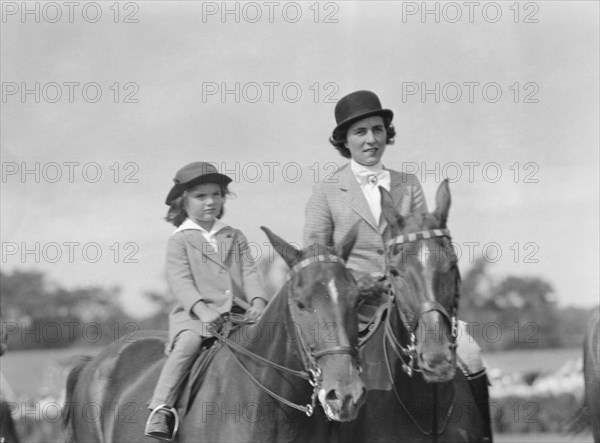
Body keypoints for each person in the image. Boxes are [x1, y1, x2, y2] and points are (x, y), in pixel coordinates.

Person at [303, 90, 492, 442]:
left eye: (377, 129)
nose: (371, 139)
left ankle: (482, 435)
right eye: (360, 132)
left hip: (412, 302)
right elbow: (316, 265)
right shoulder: (326, 191)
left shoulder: (408, 184)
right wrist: (359, 285)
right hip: (354, 309)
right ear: (344, 140)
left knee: (470, 352)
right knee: (323, 372)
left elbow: (425, 246)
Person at [145, 162, 268, 440]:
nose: (210, 201)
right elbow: (180, 281)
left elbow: (249, 271)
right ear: (183, 201)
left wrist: (259, 301)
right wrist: (202, 309)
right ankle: (161, 406)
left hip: (238, 313)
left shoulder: (233, 235)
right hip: (194, 316)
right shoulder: (180, 240)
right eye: (200, 196)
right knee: (188, 344)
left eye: (216, 194)